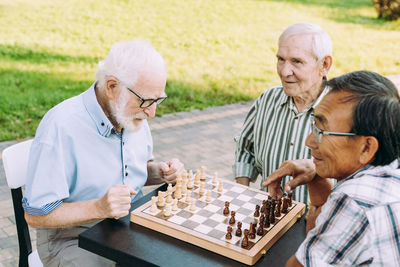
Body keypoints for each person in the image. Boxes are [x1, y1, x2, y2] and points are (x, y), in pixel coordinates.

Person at [22, 40, 185, 266]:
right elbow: (36, 214)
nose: (152, 112)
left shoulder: (131, 114)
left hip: (125, 226)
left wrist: (159, 172)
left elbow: (126, 174)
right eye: (146, 100)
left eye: (157, 99)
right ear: (111, 87)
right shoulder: (60, 126)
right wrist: (99, 207)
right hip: (71, 239)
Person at [265, 70, 400, 266]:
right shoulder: (390, 173)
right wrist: (317, 176)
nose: (309, 141)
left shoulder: (354, 202)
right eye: (314, 126)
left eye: (322, 131)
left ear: (366, 147)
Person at [233, 22, 333, 203]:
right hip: (270, 216)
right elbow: (245, 149)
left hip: (319, 223)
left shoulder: (345, 112)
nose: (285, 72)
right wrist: (243, 193)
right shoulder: (267, 99)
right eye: (281, 59)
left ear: (324, 65)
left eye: (297, 61)